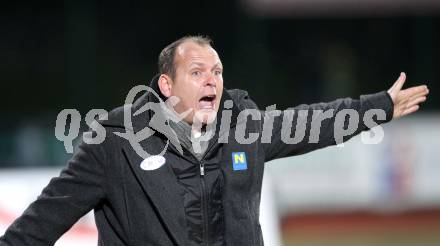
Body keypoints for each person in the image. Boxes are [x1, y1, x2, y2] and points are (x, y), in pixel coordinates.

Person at [0, 35, 429, 246]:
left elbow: (312, 122)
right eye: (198, 73)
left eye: (218, 72)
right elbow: (38, 226)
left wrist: (379, 106)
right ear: (167, 86)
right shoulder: (113, 145)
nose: (212, 81)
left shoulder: (244, 128)